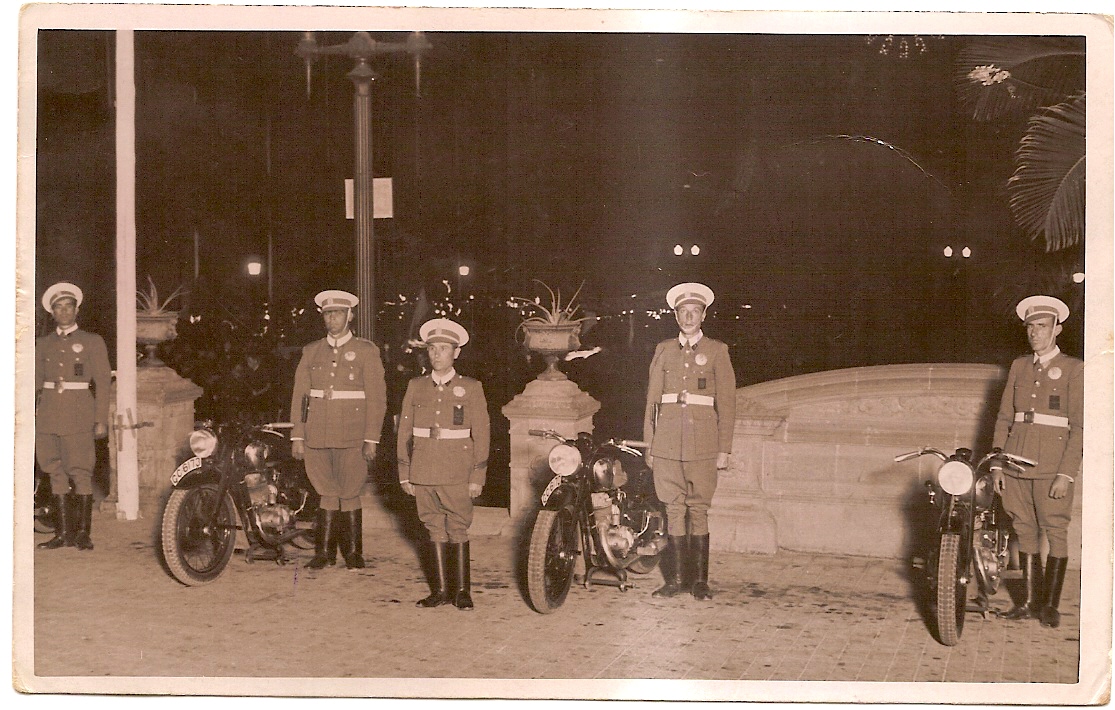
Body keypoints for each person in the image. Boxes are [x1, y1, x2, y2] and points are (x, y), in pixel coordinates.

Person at [991, 295, 1083, 628]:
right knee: (1023, 530)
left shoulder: (1074, 369)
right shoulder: (1018, 366)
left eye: (1042, 327)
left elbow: (1079, 427)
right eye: (1030, 327)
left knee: (1055, 530)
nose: (1035, 333)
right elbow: (1004, 417)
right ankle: (1028, 601)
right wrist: (998, 463)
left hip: (1051, 467)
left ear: (1057, 329)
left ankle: (1050, 605)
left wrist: (1066, 474)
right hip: (1015, 463)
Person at [643, 282, 736, 600]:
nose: (689, 317)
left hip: (703, 445)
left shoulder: (717, 351)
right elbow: (652, 403)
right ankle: (675, 580)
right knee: (671, 509)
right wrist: (651, 445)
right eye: (683, 312)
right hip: (667, 445)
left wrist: (724, 448)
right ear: (676, 315)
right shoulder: (664, 350)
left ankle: (699, 582)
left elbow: (727, 403)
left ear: (704, 315)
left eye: (695, 311)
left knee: (698, 510)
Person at [289, 290, 387, 570]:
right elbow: (301, 396)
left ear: (350, 315)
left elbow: (377, 398)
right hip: (317, 433)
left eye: (338, 313)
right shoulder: (311, 351)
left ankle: (354, 552)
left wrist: (371, 439)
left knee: (350, 490)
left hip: (352, 434)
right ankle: (324, 553)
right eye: (328, 314)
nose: (332, 319)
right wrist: (298, 435)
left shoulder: (367, 351)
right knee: (326, 491)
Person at [397, 318, 490, 610]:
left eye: (444, 349)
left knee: (458, 527)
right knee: (432, 526)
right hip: (423, 468)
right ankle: (439, 590)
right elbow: (404, 433)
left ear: (456, 353)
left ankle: (462, 591)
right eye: (432, 349)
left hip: (456, 470)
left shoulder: (471, 387)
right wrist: (404, 472)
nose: (437, 354)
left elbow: (482, 433)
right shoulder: (416, 386)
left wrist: (478, 475)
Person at [35, 282, 112, 551]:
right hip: (47, 417)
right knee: (53, 470)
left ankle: (82, 534)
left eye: (69, 306)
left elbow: (103, 382)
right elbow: (32, 382)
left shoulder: (92, 341)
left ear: (77, 310)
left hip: (79, 415)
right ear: (52, 313)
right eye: (59, 307)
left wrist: (101, 419)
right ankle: (62, 533)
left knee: (80, 471)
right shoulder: (42, 344)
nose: (64, 312)